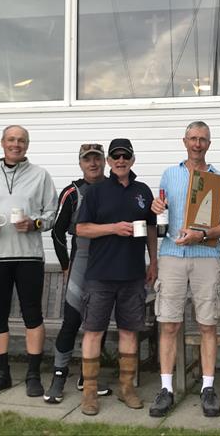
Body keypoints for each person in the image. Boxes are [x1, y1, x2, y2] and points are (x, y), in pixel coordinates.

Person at [148, 121, 220, 418]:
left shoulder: (219, 180)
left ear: (209, 144)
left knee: (207, 324)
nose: (198, 144)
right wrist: (156, 207)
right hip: (172, 255)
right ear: (184, 141)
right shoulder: (169, 174)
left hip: (206, 256)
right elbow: (160, 211)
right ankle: (166, 388)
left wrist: (203, 233)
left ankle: (208, 388)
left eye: (203, 139)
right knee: (169, 324)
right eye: (193, 139)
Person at [0, 125, 57, 398]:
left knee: (33, 314)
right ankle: (1, 374)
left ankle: (32, 374)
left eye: (21, 140)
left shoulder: (40, 176)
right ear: (2, 143)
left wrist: (36, 223)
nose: (16, 144)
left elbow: (52, 214)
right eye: (11, 140)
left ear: (27, 145)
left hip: (28, 256)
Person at [75, 138, 158, 415]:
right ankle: (89, 393)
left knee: (129, 331)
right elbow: (82, 229)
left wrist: (154, 261)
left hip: (133, 274)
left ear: (132, 160)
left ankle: (127, 388)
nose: (121, 161)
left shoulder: (143, 191)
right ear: (109, 162)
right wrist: (112, 228)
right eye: (116, 157)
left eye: (126, 156)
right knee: (93, 332)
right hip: (100, 274)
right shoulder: (96, 192)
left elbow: (151, 229)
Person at [45, 143, 112, 403]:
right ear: (80, 163)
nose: (93, 164)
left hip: (107, 265)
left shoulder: (114, 188)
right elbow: (57, 231)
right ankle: (59, 376)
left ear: (104, 161)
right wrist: (65, 265)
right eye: (88, 160)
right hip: (81, 262)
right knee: (71, 321)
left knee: (99, 324)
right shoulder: (72, 192)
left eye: (97, 159)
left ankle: (88, 375)